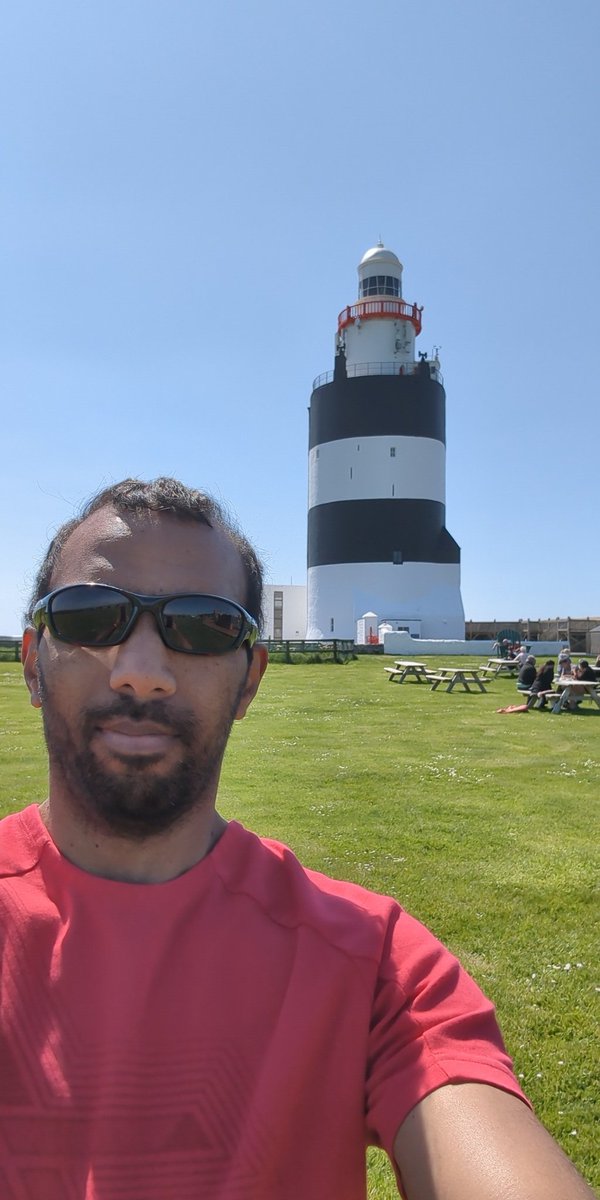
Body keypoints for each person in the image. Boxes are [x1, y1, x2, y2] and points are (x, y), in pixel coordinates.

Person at [3, 477, 594, 1200]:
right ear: (33, 661)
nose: (143, 671)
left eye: (203, 626)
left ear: (249, 681)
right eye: (92, 617)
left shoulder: (378, 966)